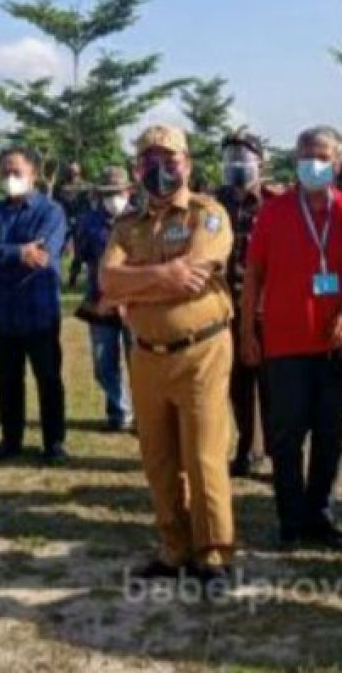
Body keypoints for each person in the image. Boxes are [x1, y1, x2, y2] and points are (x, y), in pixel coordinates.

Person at [99, 124, 236, 584]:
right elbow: (107, 282)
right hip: (144, 355)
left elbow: (193, 276)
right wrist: (163, 275)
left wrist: (135, 282)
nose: (160, 169)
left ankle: (212, 552)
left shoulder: (207, 214)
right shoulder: (127, 225)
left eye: (170, 159)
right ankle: (174, 548)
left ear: (188, 164)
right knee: (157, 457)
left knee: (202, 456)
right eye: (149, 161)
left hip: (201, 352)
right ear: (139, 169)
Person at [243, 126, 342, 549]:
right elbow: (254, 276)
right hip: (284, 345)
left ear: (337, 162)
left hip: (336, 347)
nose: (311, 163)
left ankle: (321, 514)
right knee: (286, 436)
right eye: (304, 155)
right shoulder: (274, 212)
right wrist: (247, 331)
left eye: (320, 156)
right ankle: (291, 519)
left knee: (329, 434)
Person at [0, 146, 70, 464]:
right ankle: (10, 439)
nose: (9, 178)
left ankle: (54, 442)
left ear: (33, 174)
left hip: (39, 312)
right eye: (4, 172)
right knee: (7, 382)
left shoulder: (51, 212)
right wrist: (18, 253)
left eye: (16, 171)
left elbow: (43, 255)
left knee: (48, 379)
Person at [216, 128, 281, 477]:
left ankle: (275, 450)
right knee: (237, 383)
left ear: (261, 161)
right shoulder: (212, 204)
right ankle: (246, 446)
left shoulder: (276, 202)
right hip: (225, 306)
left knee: (272, 384)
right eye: (231, 158)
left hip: (267, 307)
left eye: (244, 157)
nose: (237, 164)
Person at [69, 166, 135, 431]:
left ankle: (143, 414)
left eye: (117, 192)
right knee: (102, 362)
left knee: (140, 362)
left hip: (136, 302)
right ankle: (120, 411)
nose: (113, 198)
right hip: (100, 300)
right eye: (107, 194)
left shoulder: (144, 219)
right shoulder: (88, 222)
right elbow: (82, 256)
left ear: (128, 191)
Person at [54, 161, 88, 231]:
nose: (73, 175)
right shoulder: (59, 186)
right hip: (63, 220)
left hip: (79, 221)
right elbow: (56, 202)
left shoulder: (85, 187)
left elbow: (86, 206)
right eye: (70, 172)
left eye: (75, 173)